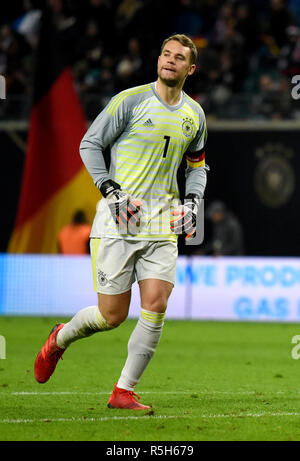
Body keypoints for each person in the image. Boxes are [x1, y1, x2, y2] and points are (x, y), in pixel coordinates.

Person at [34, 34, 208, 410]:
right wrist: (111, 192)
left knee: (157, 304)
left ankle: (123, 391)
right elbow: (89, 144)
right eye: (165, 54)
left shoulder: (195, 115)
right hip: (119, 222)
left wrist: (193, 202)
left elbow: (197, 166)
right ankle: (59, 339)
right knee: (111, 316)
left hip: (163, 223)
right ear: (158, 59)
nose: (170, 61)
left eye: (179, 58)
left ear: (190, 69)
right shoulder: (129, 102)